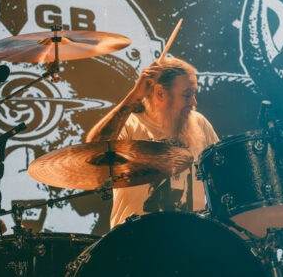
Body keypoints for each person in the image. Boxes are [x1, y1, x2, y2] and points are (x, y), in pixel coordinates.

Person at [85, 56, 219, 228]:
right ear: (160, 93)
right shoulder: (131, 124)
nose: (194, 102)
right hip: (135, 238)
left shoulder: (199, 122)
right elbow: (93, 150)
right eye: (187, 95)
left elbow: (221, 172)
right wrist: (134, 95)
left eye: (194, 94)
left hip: (188, 237)